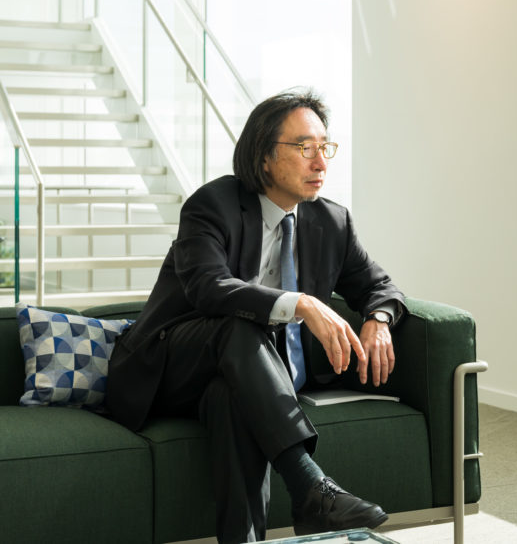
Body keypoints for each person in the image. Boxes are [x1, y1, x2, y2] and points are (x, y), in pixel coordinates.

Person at [106, 89, 405, 544]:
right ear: (264, 156)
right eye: (305, 148)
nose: (321, 162)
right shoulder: (212, 206)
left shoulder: (331, 222)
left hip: (244, 379)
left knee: (231, 397)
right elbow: (209, 287)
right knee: (240, 323)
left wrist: (379, 320)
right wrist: (301, 302)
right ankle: (310, 487)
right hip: (168, 368)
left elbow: (379, 286)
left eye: (325, 147)